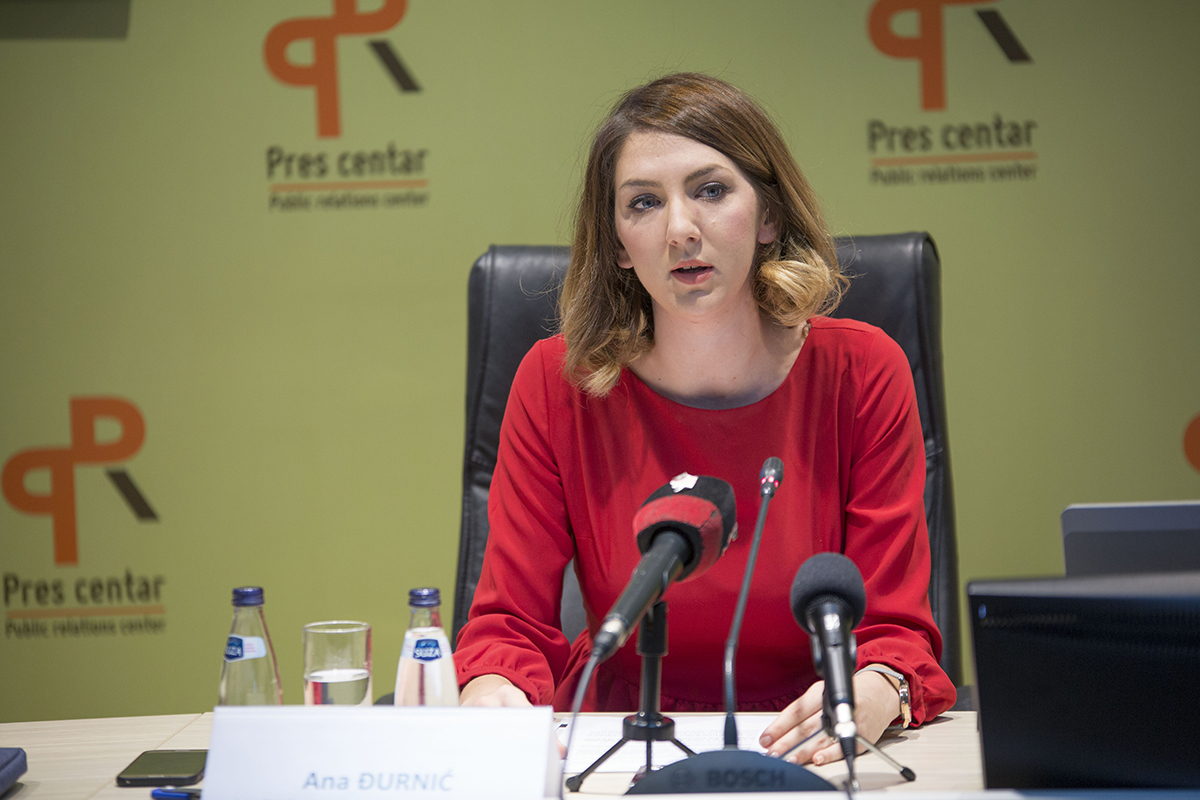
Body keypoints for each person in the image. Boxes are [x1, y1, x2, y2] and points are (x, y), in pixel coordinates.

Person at [453, 72, 956, 766]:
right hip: (618, 740)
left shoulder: (862, 372)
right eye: (643, 203)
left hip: (805, 741)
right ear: (618, 243)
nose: (681, 230)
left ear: (769, 216)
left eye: (711, 191)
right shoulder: (556, 382)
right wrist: (492, 688)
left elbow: (894, 632)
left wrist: (874, 689)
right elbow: (508, 625)